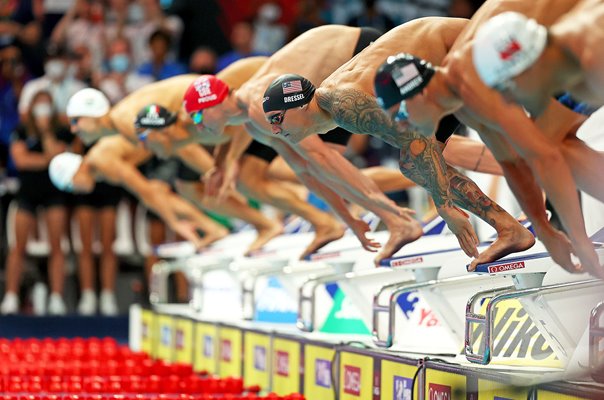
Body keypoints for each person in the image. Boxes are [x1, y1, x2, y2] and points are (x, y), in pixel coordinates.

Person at [261, 17, 533, 269]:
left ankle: (534, 214)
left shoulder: (345, 107)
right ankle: (511, 229)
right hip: (444, 64)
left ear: (298, 106)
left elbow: (419, 139)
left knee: (484, 141)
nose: (273, 129)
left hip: (467, 48)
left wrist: (444, 206)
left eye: (276, 119)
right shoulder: (334, 105)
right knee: (413, 165)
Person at [372, 0, 603, 276]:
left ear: (418, 93)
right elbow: (512, 163)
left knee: (547, 143)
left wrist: (575, 238)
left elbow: (542, 156)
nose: (401, 126)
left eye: (400, 115)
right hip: (564, 42)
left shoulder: (473, 83)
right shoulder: (463, 98)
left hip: (586, 32)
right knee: (548, 140)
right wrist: (543, 229)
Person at [185, 25, 423, 265]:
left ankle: (407, 213)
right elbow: (306, 171)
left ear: (213, 105)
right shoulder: (252, 123)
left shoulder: (259, 106)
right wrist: (347, 219)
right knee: (323, 161)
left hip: (360, 49)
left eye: (196, 116)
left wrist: (379, 203)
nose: (197, 126)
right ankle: (401, 214)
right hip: (334, 76)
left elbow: (320, 157)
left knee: (415, 136)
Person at [66, 87, 282, 256]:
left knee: (239, 178)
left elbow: (152, 185)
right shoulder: (107, 147)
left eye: (69, 184)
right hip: (177, 134)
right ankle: (233, 226)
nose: (73, 130)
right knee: (192, 187)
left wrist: (215, 170)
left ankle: (264, 222)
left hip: (200, 114)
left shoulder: (109, 146)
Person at [1, 91, 70, 315]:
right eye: (39, 105)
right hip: (27, 193)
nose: (43, 109)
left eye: (47, 105)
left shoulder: (59, 130)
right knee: (18, 247)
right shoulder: (21, 130)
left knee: (56, 246)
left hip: (53, 193)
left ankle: (57, 297)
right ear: (31, 108)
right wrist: (46, 160)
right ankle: (11, 296)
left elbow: (58, 155)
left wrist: (45, 132)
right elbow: (21, 161)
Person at [18, 45, 86, 122]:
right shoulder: (32, 87)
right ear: (45, 63)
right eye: (51, 60)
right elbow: (24, 115)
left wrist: (53, 118)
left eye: (58, 59)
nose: (55, 63)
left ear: (67, 61)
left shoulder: (79, 87)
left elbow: (84, 117)